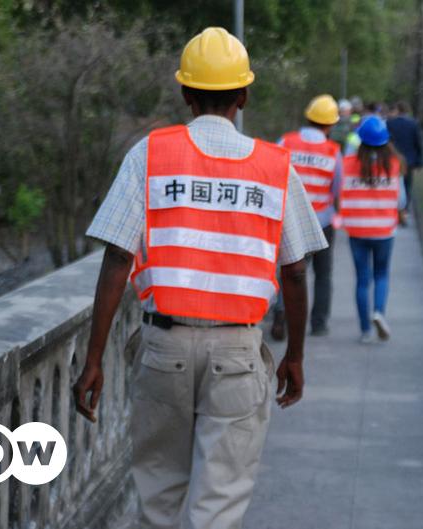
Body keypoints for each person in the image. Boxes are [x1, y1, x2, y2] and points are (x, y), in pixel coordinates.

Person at [72, 27, 327, 529]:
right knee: (217, 509)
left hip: (163, 348)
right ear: (245, 95)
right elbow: (295, 273)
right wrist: (295, 354)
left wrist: (94, 357)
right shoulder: (276, 168)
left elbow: (118, 259)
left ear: (185, 93)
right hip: (236, 355)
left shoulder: (152, 153)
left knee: (157, 501)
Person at [271, 95, 343, 338]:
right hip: (321, 221)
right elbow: (337, 189)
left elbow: (273, 176)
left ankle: (281, 314)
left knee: (288, 269)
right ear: (330, 125)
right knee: (323, 274)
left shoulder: (286, 141)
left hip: (289, 220)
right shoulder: (333, 151)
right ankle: (319, 323)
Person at [338, 116, 406, 343]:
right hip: (384, 231)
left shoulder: (347, 163)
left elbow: (338, 192)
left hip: (356, 231)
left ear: (361, 140)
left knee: (362, 280)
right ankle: (378, 312)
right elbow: (402, 201)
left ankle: (366, 330)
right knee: (381, 275)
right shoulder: (394, 165)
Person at [386, 100, 423, 221]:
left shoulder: (390, 123)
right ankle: (405, 211)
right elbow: (418, 143)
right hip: (409, 161)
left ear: (397, 110)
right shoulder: (413, 124)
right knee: (407, 186)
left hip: (392, 159)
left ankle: (393, 209)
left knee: (393, 184)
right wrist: (419, 161)